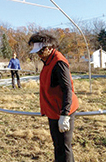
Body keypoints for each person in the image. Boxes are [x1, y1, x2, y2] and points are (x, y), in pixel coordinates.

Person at [28, 31, 80, 162]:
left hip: (62, 111)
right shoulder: (47, 60)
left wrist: (65, 114)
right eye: (37, 52)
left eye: (40, 51)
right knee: (58, 146)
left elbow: (67, 89)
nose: (39, 55)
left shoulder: (59, 62)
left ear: (50, 47)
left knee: (64, 147)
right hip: (53, 110)